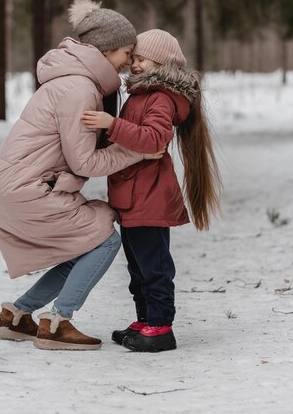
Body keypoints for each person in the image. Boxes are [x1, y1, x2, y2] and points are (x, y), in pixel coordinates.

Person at [0, 0, 163, 351]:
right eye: (127, 52)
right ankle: (59, 321)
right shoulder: (80, 89)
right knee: (105, 239)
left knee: (83, 245)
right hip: (30, 191)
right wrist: (137, 150)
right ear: (106, 48)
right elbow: (84, 163)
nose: (129, 62)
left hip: (15, 188)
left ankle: (18, 315)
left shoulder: (71, 79)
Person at [81, 29, 222, 352]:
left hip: (150, 198)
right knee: (138, 268)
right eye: (133, 58)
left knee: (154, 268)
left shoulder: (160, 98)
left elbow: (154, 138)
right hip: (133, 198)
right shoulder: (142, 94)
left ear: (162, 64)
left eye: (142, 59)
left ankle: (160, 326)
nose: (135, 64)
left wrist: (110, 124)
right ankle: (146, 320)